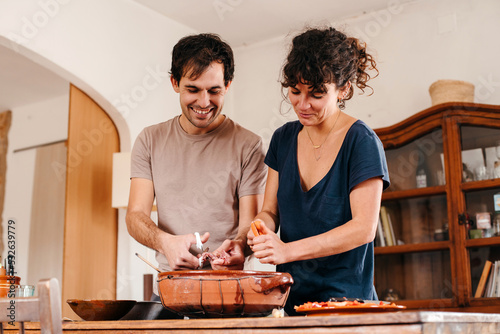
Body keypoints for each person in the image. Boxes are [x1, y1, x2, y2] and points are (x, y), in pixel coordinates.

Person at [247, 27, 390, 316]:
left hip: (347, 304)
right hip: (292, 301)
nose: (302, 104)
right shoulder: (283, 139)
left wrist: (287, 251)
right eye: (295, 91)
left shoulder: (361, 142)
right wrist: (260, 229)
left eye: (316, 94)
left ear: (344, 89)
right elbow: (270, 212)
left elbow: (364, 229)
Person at [126, 33, 267, 298]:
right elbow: (135, 216)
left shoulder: (249, 144)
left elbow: (251, 223)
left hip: (230, 291)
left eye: (214, 91)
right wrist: (165, 242)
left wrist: (239, 246)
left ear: (228, 85)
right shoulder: (149, 140)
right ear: (175, 83)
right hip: (170, 290)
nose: (204, 103)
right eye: (193, 89)